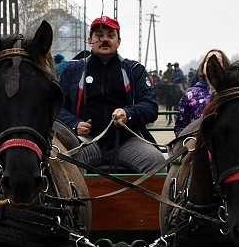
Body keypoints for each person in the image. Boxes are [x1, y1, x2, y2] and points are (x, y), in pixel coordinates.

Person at [57, 16, 164, 173]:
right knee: (63, 163)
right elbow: (56, 109)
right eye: (99, 36)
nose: (104, 40)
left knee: (157, 162)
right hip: (85, 142)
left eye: (110, 35)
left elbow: (151, 107)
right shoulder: (72, 70)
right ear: (90, 40)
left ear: (118, 41)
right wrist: (74, 124)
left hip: (127, 142)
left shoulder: (135, 70)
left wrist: (128, 113)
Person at [174, 49, 230, 136]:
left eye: (217, 60)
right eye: (207, 60)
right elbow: (180, 125)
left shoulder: (230, 93)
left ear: (225, 66)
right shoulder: (190, 94)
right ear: (203, 65)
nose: (211, 63)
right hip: (194, 145)